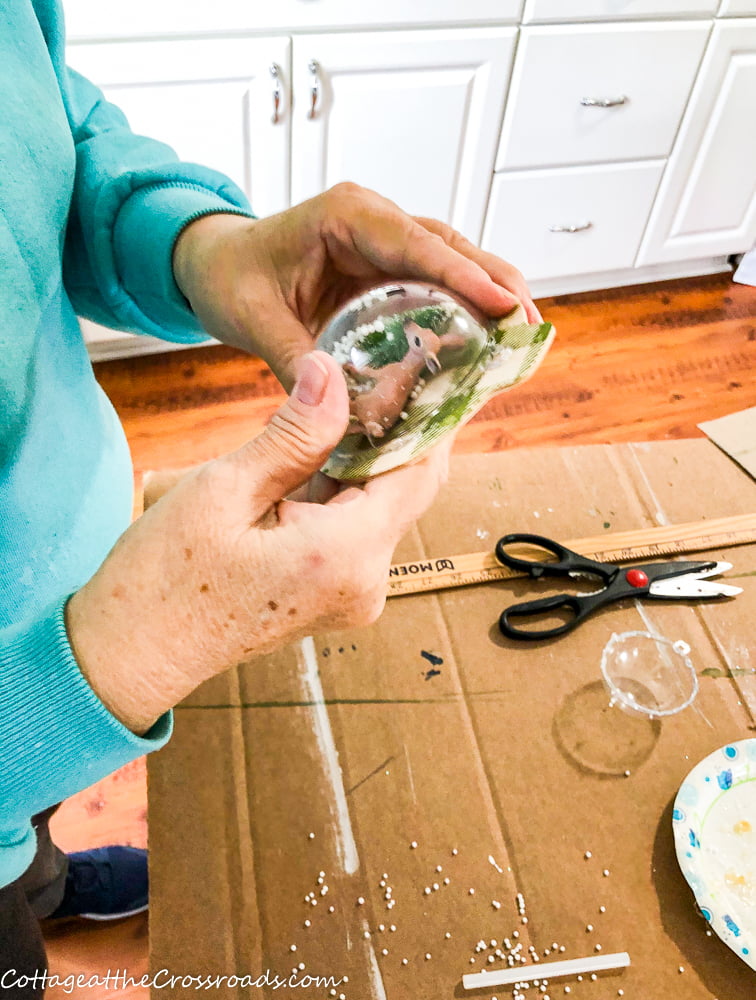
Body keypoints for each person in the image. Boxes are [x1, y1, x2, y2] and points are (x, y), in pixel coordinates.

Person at [0, 0, 538, 990]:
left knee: (22, 835)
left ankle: (39, 871)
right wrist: (114, 662)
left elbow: (46, 131)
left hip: (41, 659)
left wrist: (202, 246)